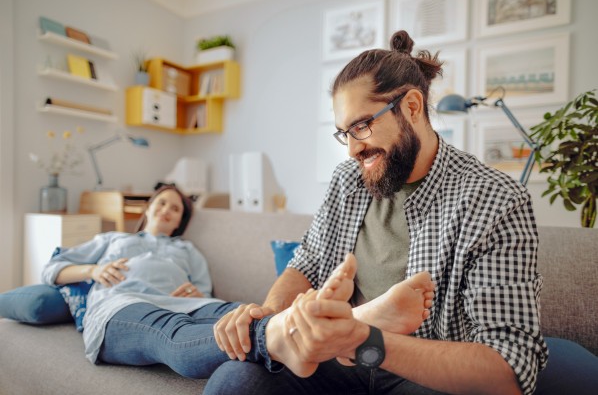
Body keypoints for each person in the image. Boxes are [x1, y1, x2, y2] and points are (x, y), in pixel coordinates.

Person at [206, 30, 550, 395]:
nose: (353, 149)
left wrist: (362, 340)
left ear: (412, 107)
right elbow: (306, 264)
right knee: (235, 381)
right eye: (344, 133)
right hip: (334, 361)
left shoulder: (496, 199)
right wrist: (271, 315)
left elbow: (509, 369)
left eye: (362, 126)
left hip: (421, 369)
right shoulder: (347, 180)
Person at [41, 184, 434, 379]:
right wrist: (92, 272)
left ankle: (349, 326)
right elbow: (53, 269)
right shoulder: (113, 239)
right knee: (169, 333)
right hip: (124, 306)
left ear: (180, 221)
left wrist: (198, 293)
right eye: (161, 202)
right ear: (148, 210)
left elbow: (207, 293)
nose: (166, 209)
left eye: (175, 207)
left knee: (234, 314)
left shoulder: (187, 252)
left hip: (191, 304)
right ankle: (299, 333)